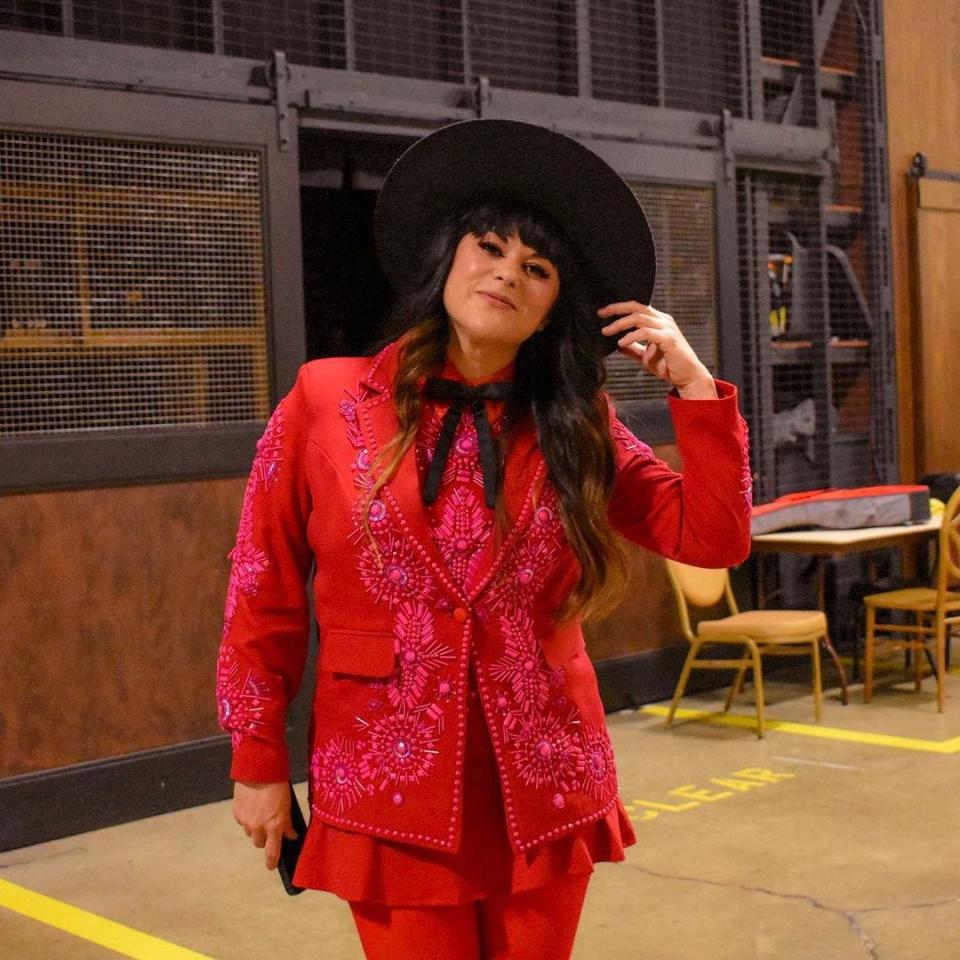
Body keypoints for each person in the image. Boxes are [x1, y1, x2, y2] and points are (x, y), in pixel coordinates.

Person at [216, 118, 752, 960]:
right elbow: (262, 583)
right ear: (447, 259)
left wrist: (694, 386)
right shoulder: (325, 401)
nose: (507, 273)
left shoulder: (578, 424)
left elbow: (712, 537)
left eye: (536, 269)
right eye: (490, 247)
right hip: (387, 779)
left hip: (541, 780)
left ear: (551, 312)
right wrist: (257, 759)